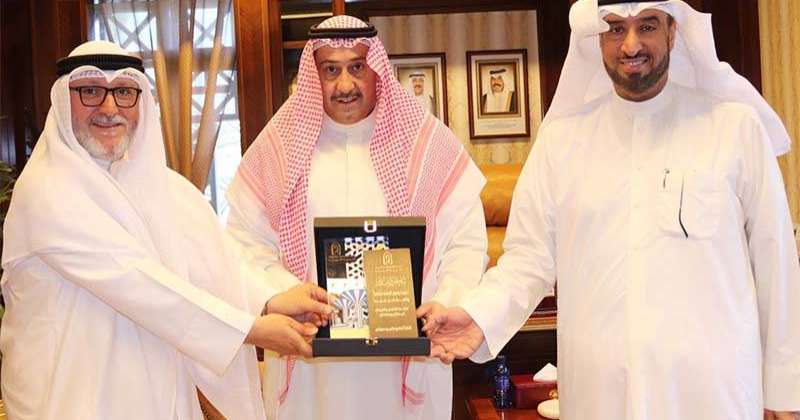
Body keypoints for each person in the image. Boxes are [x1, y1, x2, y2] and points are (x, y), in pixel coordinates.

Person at [420, 1, 800, 419]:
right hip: (600, 396)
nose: (630, 45)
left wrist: (786, 392)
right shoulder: (561, 143)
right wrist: (477, 317)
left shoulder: (735, 129)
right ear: (596, 38)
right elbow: (526, 262)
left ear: (673, 32)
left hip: (712, 395)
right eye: (616, 29)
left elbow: (776, 262)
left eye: (647, 26)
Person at [0, 40, 333, 420]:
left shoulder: (162, 187)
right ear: (63, 100)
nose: (109, 108)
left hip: (154, 399)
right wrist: (250, 330)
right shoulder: (46, 191)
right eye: (90, 91)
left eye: (124, 92)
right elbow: (137, 282)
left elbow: (212, 260)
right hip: (69, 401)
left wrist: (269, 300)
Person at [225, 15, 488, 420]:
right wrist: (285, 295)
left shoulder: (426, 145)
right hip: (311, 363)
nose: (345, 85)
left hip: (403, 365)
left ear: (376, 70)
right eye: (331, 70)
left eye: (357, 67)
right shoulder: (277, 149)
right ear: (314, 75)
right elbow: (243, 245)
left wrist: (446, 302)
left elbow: (465, 245)